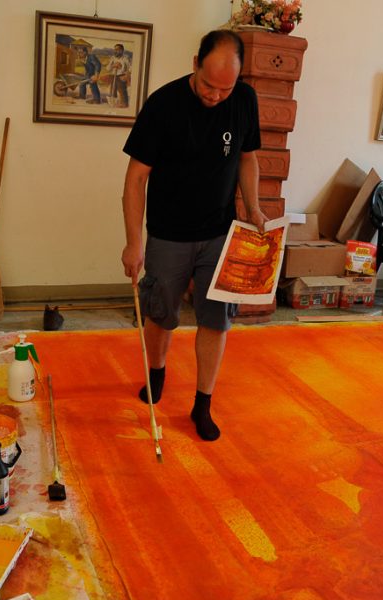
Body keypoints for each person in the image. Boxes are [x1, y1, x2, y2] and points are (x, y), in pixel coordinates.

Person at [121, 29, 266, 442]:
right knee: (160, 311)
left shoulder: (245, 100)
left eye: (225, 88)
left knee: (216, 319)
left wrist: (253, 206)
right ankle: (156, 371)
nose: (216, 96)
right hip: (168, 233)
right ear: (195, 63)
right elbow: (136, 179)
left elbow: (248, 158)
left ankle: (203, 402)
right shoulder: (163, 105)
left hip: (220, 231)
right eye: (208, 85)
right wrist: (133, 242)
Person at [107, 43, 131, 108]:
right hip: (113, 76)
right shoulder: (112, 58)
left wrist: (121, 68)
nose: (115, 51)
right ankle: (114, 103)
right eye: (115, 49)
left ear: (122, 51)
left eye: (117, 50)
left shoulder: (125, 58)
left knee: (122, 90)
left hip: (121, 76)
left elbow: (129, 68)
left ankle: (124, 104)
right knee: (113, 90)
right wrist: (113, 65)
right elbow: (108, 68)